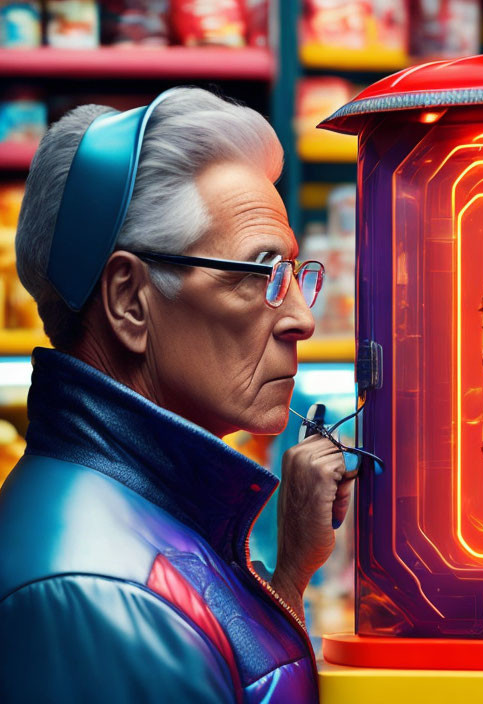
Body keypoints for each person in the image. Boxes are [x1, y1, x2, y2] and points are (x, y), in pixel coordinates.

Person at [0, 87, 354, 703]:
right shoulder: (99, 596)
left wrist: (291, 575)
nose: (301, 318)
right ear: (129, 301)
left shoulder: (143, 517)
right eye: (263, 272)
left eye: (296, 274)